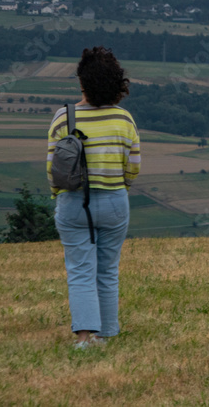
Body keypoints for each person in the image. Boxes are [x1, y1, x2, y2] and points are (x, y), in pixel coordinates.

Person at [47, 46, 140, 350]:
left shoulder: (64, 118)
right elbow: (133, 168)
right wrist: (118, 186)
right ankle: (107, 334)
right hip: (115, 202)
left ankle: (86, 338)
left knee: (80, 271)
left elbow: (53, 169)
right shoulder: (124, 120)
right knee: (108, 269)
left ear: (83, 82)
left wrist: (58, 195)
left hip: (74, 203)